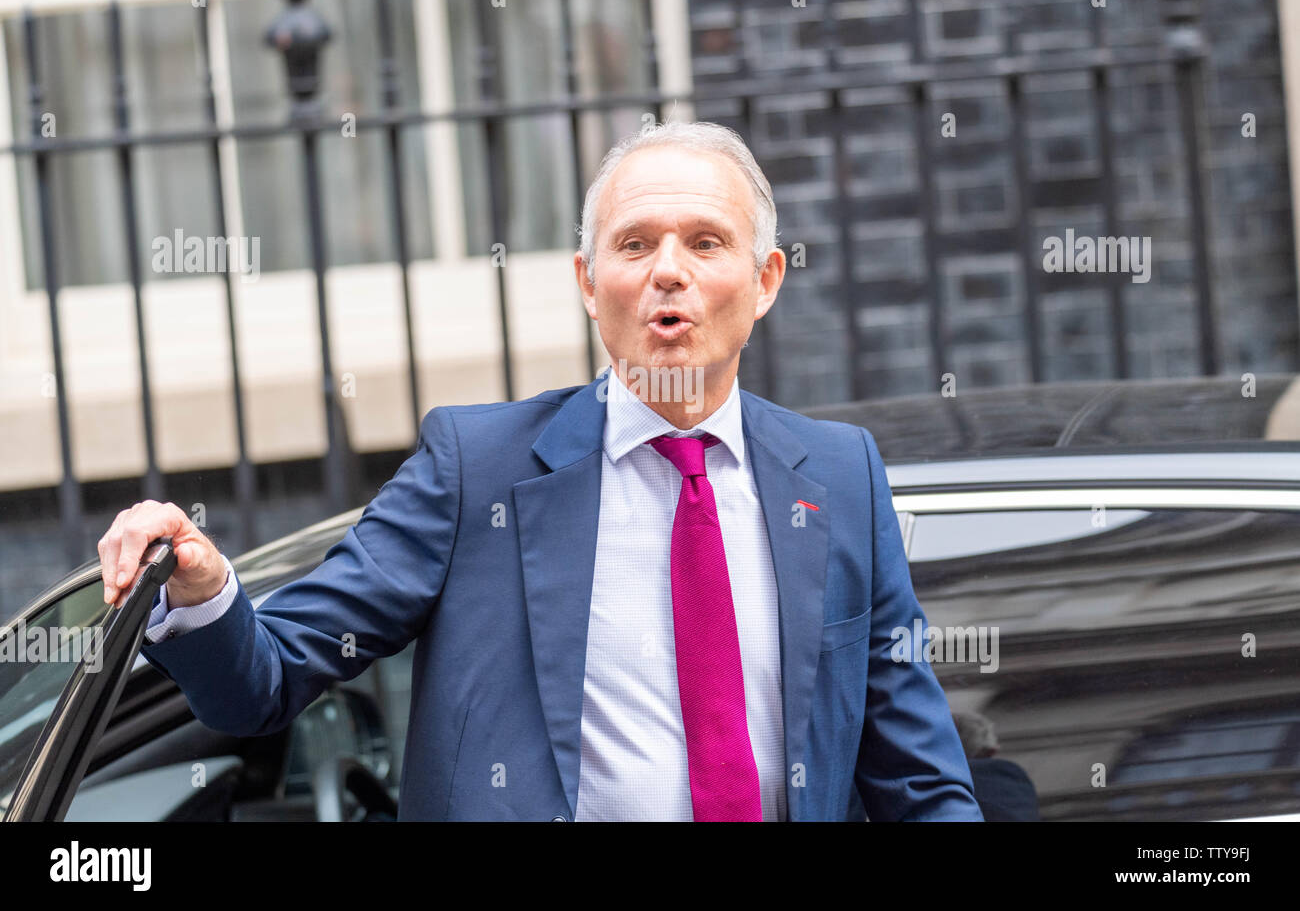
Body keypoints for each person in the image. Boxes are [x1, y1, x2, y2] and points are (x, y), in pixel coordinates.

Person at [96, 121, 982, 822]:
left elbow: (918, 777)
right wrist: (204, 585)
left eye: (706, 243)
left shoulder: (839, 477)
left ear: (766, 281)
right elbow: (265, 683)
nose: (668, 272)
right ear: (590, 283)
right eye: (634, 245)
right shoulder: (476, 469)